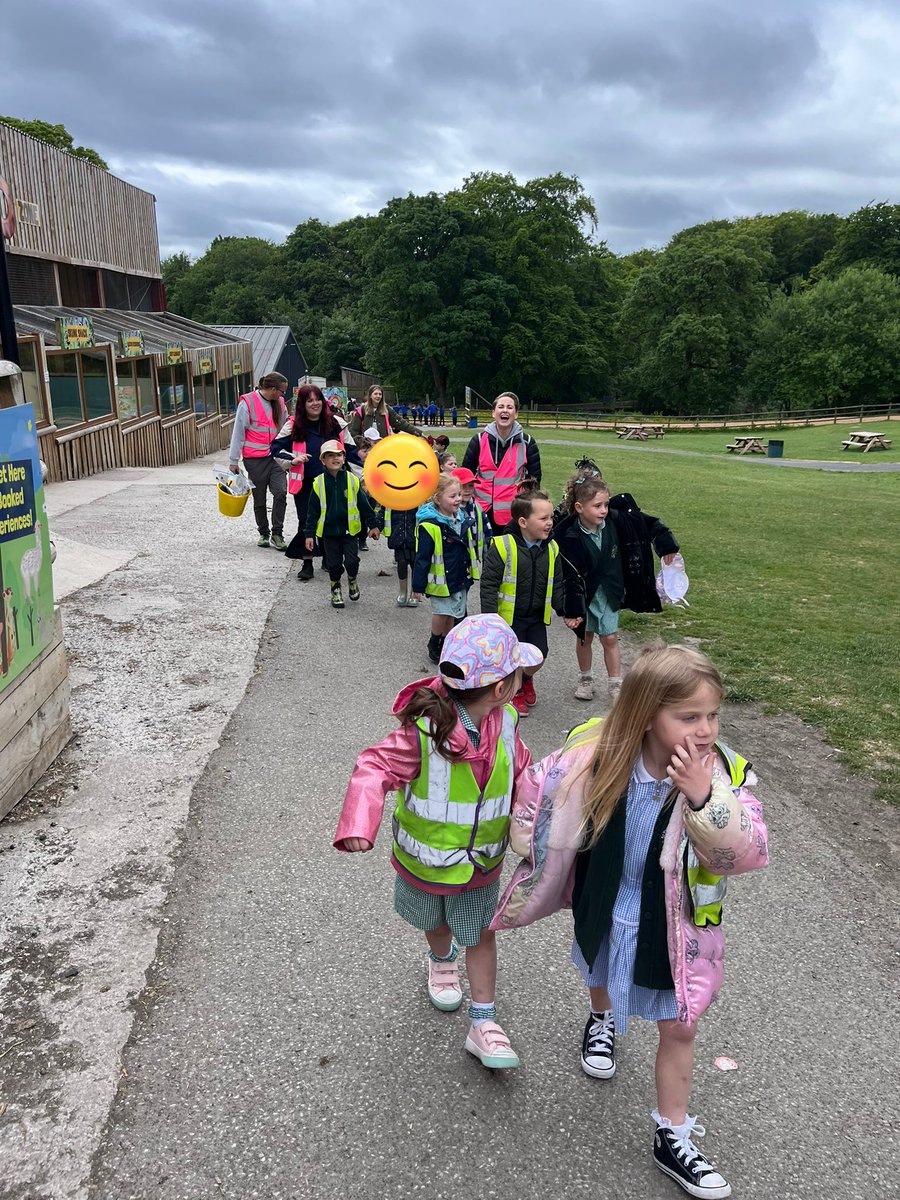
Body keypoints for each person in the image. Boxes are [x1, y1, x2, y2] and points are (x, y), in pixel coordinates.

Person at [492, 643, 769, 1199]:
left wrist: (703, 801)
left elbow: (746, 853)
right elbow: (538, 793)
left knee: (681, 1023)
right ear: (646, 713)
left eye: (712, 715)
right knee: (596, 959)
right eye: (688, 717)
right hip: (606, 901)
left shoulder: (724, 775)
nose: (706, 729)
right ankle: (601, 1019)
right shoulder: (596, 755)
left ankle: (672, 1133)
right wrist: (531, 843)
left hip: (677, 929)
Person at [334, 613, 542, 1069]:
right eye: (519, 672)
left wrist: (534, 817)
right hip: (426, 862)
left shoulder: (505, 721)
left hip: (482, 862)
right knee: (437, 921)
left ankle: (483, 1022)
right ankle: (440, 958)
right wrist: (358, 822)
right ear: (503, 687)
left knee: (482, 933)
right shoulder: (424, 730)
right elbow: (375, 765)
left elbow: (523, 769)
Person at [480, 489, 567, 718]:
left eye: (551, 517)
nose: (550, 523)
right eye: (543, 518)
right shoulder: (502, 546)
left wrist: (565, 610)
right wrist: (490, 618)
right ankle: (515, 690)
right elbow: (489, 584)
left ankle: (525, 679)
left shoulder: (552, 548)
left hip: (536, 616)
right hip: (509, 618)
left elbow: (557, 583)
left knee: (540, 655)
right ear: (523, 522)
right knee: (512, 658)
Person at [272, 385, 363, 581]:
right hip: (306, 484)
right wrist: (293, 459)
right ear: (303, 405)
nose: (315, 404)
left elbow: (352, 452)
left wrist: (367, 476)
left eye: (318, 399)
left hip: (335, 482)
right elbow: (275, 448)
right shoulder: (293, 425)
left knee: (332, 519)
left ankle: (329, 558)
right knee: (307, 522)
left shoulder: (336, 423)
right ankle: (307, 563)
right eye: (309, 400)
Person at [555, 475, 626, 702]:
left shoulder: (613, 526)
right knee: (585, 637)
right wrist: (569, 607)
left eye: (606, 504)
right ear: (579, 507)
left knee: (610, 639)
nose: (603, 510)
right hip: (585, 596)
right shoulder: (569, 535)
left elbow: (640, 531)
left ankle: (615, 684)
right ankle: (585, 679)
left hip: (608, 594)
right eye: (597, 506)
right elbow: (566, 574)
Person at [304, 441, 379, 609]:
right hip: (329, 533)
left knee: (352, 561)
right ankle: (335, 587)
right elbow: (312, 511)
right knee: (334, 564)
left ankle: (352, 579)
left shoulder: (352, 480)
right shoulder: (318, 483)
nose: (335, 458)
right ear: (323, 460)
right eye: (330, 455)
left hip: (349, 531)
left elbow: (363, 505)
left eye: (338, 455)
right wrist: (309, 534)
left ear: (344, 458)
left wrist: (373, 525)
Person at [461, 391, 541, 535]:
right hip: (481, 512)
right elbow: (464, 475)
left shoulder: (528, 442)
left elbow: (535, 481)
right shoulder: (478, 441)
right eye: (501, 406)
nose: (505, 410)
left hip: (513, 514)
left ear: (516, 414)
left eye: (510, 407)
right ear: (493, 412)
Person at [412, 474, 471, 664]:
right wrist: (418, 586)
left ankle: (448, 642)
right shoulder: (429, 525)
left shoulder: (461, 518)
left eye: (459, 495)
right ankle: (435, 641)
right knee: (441, 612)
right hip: (440, 580)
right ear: (438, 498)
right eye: (453, 496)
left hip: (458, 574)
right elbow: (422, 558)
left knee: (453, 612)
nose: (458, 499)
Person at [228, 372, 289, 549]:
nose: (282, 395)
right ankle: (264, 532)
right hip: (254, 460)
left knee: (280, 493)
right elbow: (238, 433)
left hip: (276, 458)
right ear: (272, 389)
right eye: (281, 391)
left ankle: (277, 534)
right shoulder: (247, 403)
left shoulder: (280, 404)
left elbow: (285, 431)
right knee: (259, 498)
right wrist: (234, 460)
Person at [347, 384, 421, 448]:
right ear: (370, 396)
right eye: (375, 394)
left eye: (380, 394)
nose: (378, 396)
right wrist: (362, 444)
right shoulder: (361, 410)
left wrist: (419, 433)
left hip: (383, 447)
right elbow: (353, 432)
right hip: (367, 448)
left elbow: (402, 423)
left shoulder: (387, 410)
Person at [452, 467, 487, 584]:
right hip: (453, 558)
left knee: (465, 587)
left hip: (469, 557)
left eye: (471, 486)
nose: (467, 490)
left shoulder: (476, 507)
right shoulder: (449, 509)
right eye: (463, 486)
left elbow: (486, 531)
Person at [383, 501, 419, 608]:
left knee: (415, 564)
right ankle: (403, 590)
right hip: (398, 536)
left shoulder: (419, 497)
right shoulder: (392, 497)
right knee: (402, 563)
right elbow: (383, 513)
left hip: (415, 536)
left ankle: (414, 592)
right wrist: (375, 526)